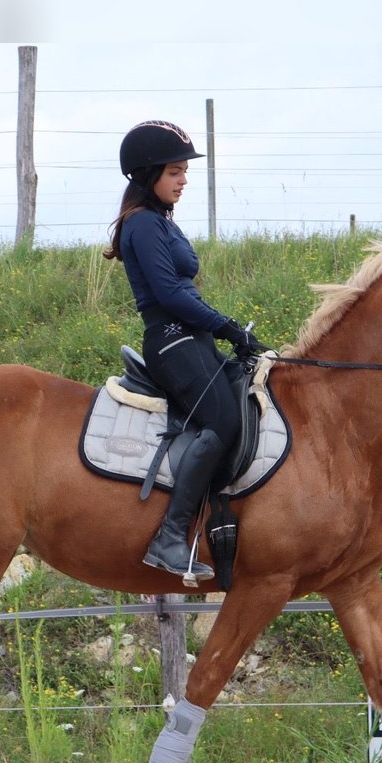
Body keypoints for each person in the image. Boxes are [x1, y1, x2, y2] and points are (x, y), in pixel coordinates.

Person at [103, 120, 264, 581]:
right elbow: (172, 296)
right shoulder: (143, 224)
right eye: (175, 172)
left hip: (192, 339)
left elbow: (184, 291)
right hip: (172, 341)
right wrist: (226, 326)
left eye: (185, 172)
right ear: (148, 174)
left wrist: (225, 330)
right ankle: (170, 537)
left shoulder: (160, 221)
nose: (184, 181)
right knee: (223, 422)